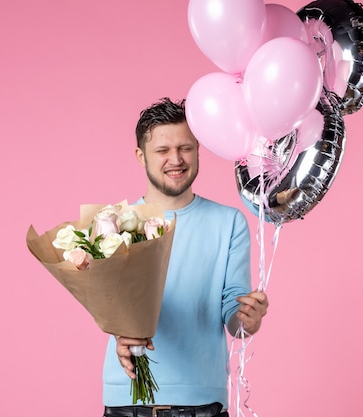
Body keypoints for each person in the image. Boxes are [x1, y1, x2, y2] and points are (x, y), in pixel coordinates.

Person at [101, 97, 269, 417]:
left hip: (201, 403)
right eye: (162, 150)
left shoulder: (229, 222)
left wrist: (247, 317)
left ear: (197, 149)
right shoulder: (116, 222)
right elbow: (108, 305)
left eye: (186, 148)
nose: (176, 159)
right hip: (126, 401)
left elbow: (234, 313)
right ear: (141, 156)